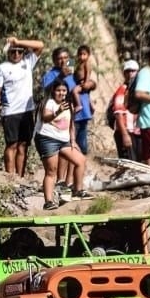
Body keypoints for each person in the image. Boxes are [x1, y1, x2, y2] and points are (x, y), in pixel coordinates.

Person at [0, 36, 45, 176]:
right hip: (10, 112)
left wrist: (18, 42)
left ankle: (20, 177)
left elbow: (40, 45)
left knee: (23, 145)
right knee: (11, 145)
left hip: (27, 111)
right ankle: (10, 176)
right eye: (13, 51)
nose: (16, 54)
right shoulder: (2, 68)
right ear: (8, 53)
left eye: (20, 52)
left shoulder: (28, 62)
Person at [33, 79, 90, 210]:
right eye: (58, 90)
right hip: (47, 139)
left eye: (64, 90)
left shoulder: (68, 105)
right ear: (53, 91)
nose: (61, 93)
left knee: (80, 160)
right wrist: (57, 112)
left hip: (63, 140)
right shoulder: (49, 103)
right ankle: (48, 201)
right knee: (51, 171)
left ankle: (78, 190)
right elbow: (46, 117)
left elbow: (71, 125)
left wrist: (73, 141)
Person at [41, 46, 81, 189]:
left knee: (71, 146)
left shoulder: (70, 73)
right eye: (60, 58)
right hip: (54, 115)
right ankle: (58, 179)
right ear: (54, 60)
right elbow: (46, 89)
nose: (63, 61)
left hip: (68, 114)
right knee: (60, 148)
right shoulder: (51, 74)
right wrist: (61, 76)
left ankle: (67, 181)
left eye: (65, 58)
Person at [110, 60, 141, 160]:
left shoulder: (138, 90)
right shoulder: (122, 90)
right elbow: (118, 114)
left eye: (133, 71)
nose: (130, 74)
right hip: (126, 131)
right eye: (128, 71)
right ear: (124, 73)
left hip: (135, 132)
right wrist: (125, 135)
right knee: (129, 163)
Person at [72, 45, 98, 155]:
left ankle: (80, 105)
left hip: (83, 84)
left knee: (75, 91)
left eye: (84, 54)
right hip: (80, 84)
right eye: (80, 54)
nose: (82, 57)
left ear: (88, 55)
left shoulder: (87, 63)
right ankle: (89, 105)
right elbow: (69, 68)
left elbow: (88, 74)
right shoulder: (77, 63)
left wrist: (86, 83)